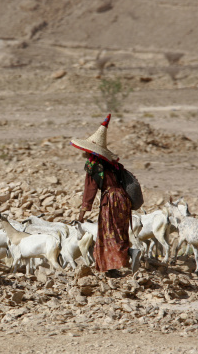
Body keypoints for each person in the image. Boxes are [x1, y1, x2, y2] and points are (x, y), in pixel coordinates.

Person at [70, 114, 141, 278]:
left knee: (108, 232)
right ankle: (130, 253)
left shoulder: (93, 165)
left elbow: (90, 190)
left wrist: (82, 213)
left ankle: (112, 268)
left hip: (110, 199)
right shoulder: (112, 165)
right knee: (119, 232)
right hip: (123, 199)